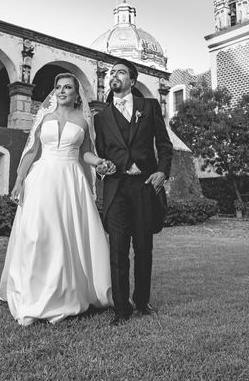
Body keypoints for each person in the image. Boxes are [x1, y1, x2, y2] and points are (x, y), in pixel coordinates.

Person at [0, 73, 113, 325]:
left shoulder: (84, 122)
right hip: (42, 178)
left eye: (67, 88)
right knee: (36, 233)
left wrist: (100, 163)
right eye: (58, 87)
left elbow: (86, 153)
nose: (61, 91)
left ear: (77, 95)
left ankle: (66, 293)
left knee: (66, 235)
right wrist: (19, 181)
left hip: (70, 180)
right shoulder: (44, 117)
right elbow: (31, 151)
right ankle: (32, 292)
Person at [93, 60, 173, 326]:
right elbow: (102, 154)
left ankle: (142, 302)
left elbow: (164, 144)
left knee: (143, 248)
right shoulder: (101, 117)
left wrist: (162, 171)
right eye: (110, 73)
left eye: (120, 72)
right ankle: (120, 309)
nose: (113, 76)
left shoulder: (148, 107)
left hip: (144, 186)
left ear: (132, 80)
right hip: (116, 188)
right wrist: (101, 169)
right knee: (117, 250)